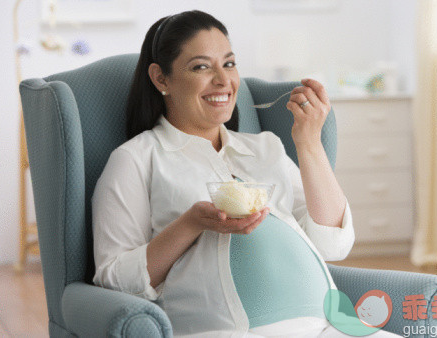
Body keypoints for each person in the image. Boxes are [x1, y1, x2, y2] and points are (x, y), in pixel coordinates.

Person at [92, 10, 401, 338]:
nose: (223, 81)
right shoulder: (136, 160)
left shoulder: (265, 148)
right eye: (201, 67)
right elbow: (113, 278)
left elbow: (333, 244)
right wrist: (191, 224)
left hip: (330, 326)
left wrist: (309, 143)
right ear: (161, 79)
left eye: (229, 63)